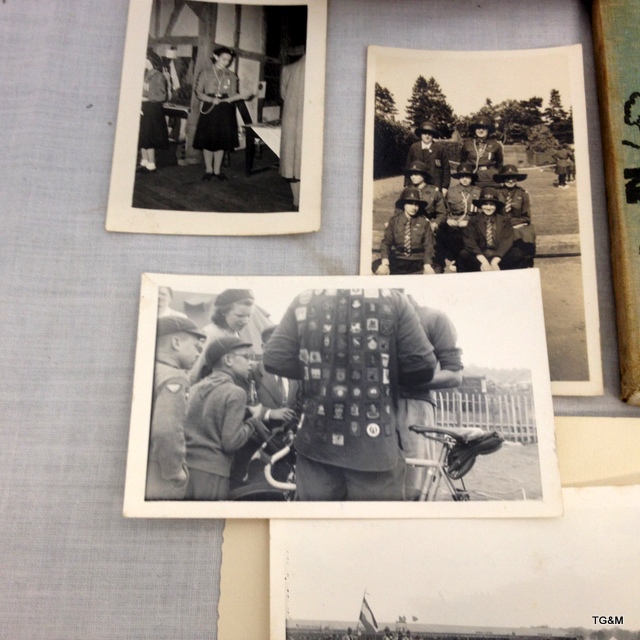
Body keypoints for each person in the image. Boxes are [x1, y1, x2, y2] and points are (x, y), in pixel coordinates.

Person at [263, 288, 438, 501]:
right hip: (374, 447)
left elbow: (274, 358)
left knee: (318, 527)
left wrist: (323, 374)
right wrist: (379, 378)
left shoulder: (305, 298)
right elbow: (422, 366)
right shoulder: (393, 299)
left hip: (316, 446)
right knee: (370, 530)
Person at [184, 336, 267, 500]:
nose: (250, 363)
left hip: (187, 468)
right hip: (213, 472)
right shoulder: (236, 392)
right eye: (246, 357)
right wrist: (254, 419)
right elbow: (231, 442)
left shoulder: (195, 388)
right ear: (228, 360)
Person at [396, 301, 463, 500]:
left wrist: (403, 381)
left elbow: (454, 375)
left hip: (414, 407)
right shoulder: (366, 317)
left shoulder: (433, 318)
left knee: (413, 486)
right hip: (369, 407)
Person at [146, 316, 205, 500]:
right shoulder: (174, 377)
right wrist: (175, 472)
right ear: (176, 342)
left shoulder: (150, 369)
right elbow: (166, 431)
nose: (198, 354)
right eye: (197, 347)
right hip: (160, 471)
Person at [193, 46, 251, 181]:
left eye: (229, 60)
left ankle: (217, 171)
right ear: (216, 56)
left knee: (221, 140)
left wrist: (242, 96)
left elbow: (233, 94)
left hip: (225, 109)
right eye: (224, 59)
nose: (226, 62)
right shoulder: (205, 73)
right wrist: (211, 99)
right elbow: (198, 92)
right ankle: (208, 170)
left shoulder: (231, 75)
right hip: (210, 107)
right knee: (208, 140)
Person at [189, 289, 255, 383]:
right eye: (240, 316)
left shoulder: (235, 333)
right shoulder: (211, 333)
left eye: (249, 316)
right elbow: (195, 371)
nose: (246, 321)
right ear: (223, 312)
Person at [457, 187, 528, 272]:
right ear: (480, 206)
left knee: (517, 254)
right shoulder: (473, 220)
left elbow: (506, 242)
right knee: (463, 254)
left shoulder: (504, 220)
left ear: (496, 206)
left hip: (499, 257)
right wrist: (484, 262)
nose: (488, 207)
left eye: (491, 204)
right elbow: (470, 242)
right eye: (485, 204)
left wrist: (495, 261)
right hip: (481, 257)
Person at [375, 187, 437, 276]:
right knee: (376, 266)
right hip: (399, 259)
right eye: (410, 203)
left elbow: (429, 245)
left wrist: (427, 265)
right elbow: (386, 243)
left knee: (436, 270)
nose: (414, 207)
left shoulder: (424, 223)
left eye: (416, 204)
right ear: (403, 204)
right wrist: (385, 263)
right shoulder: (394, 221)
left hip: (417, 260)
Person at [439, 162, 481, 272]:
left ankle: (460, 261)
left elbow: (481, 212)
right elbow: (445, 209)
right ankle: (454, 259)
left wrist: (470, 222)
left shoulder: (478, 192)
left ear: (471, 178)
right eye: (462, 176)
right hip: (455, 221)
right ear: (458, 178)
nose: (465, 179)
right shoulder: (451, 191)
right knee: (451, 231)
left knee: (466, 232)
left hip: (471, 222)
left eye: (467, 176)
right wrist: (449, 219)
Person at [494, 164, 536, 267]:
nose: (511, 181)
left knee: (526, 236)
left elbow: (526, 217)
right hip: (500, 225)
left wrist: (515, 224)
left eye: (513, 178)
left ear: (516, 179)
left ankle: (526, 264)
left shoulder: (523, 194)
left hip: (518, 225)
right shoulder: (496, 193)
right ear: (503, 179)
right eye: (507, 178)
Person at [280, 51, 306, 209]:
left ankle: (297, 201)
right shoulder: (322, 69)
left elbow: (284, 95)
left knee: (292, 161)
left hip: (291, 120)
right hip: (310, 121)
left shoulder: (288, 69)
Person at [138, 49, 169, 173]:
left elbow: (162, 96)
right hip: (144, 107)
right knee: (143, 135)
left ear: (150, 60)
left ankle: (151, 164)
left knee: (149, 136)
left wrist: (146, 98)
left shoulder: (157, 75)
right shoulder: (146, 74)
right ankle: (144, 161)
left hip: (152, 108)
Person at [405, 120, 451, 194]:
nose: (427, 136)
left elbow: (446, 169)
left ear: (433, 135)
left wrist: (445, 187)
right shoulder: (414, 147)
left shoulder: (440, 149)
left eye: (430, 134)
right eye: (424, 133)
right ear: (420, 134)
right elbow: (408, 166)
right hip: (416, 185)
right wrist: (407, 184)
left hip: (435, 185)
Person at [459, 115, 503, 187]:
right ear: (475, 130)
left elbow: (500, 165)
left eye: (484, 128)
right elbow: (463, 162)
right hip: (473, 177)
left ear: (488, 130)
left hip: (490, 177)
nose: (481, 130)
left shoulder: (496, 145)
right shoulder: (467, 145)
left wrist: (495, 174)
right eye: (478, 128)